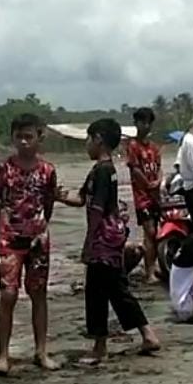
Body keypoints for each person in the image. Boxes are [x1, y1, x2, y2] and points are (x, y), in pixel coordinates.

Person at [69, 118, 161, 365]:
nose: (86, 145)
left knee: (97, 292)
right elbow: (81, 199)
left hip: (103, 239)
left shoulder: (101, 170)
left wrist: (89, 243)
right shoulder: (105, 169)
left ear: (98, 139)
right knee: (116, 289)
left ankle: (100, 346)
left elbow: (96, 209)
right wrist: (57, 196)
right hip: (111, 237)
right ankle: (147, 334)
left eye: (88, 139)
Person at [0, 113, 63, 375]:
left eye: (28, 136)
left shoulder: (47, 170)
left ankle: (41, 351)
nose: (23, 142)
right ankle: (3, 355)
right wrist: (1, 229)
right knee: (8, 295)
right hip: (9, 238)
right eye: (18, 136)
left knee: (38, 293)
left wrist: (39, 227)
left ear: (39, 137)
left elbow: (49, 203)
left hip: (38, 240)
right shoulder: (2, 169)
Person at [125, 107, 163, 283]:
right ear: (136, 123)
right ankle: (149, 273)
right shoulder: (133, 146)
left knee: (155, 233)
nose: (146, 125)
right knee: (150, 232)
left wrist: (159, 181)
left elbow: (160, 167)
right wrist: (148, 185)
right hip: (142, 197)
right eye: (142, 122)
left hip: (156, 196)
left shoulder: (154, 147)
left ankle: (152, 267)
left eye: (148, 122)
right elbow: (135, 170)